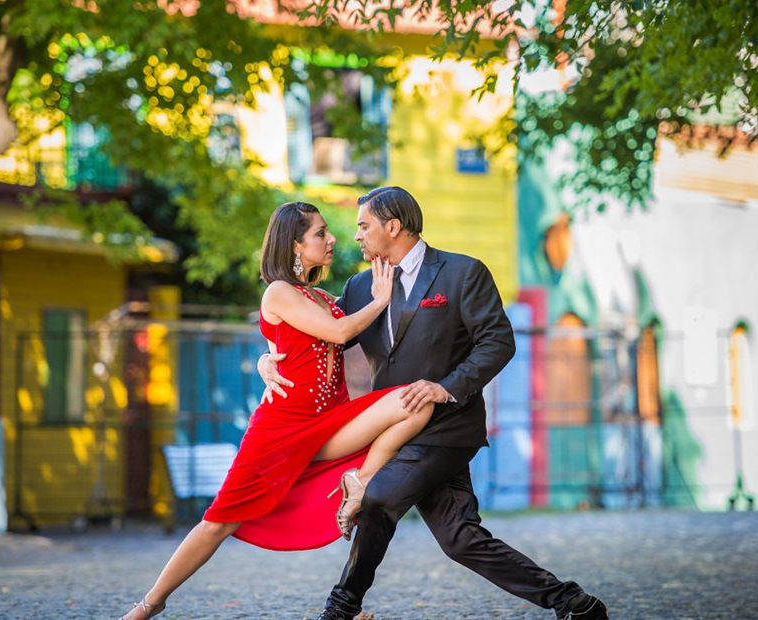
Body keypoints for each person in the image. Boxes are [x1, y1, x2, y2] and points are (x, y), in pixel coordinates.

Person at [259, 186, 608, 620]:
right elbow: (316, 338)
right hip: (394, 432)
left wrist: (446, 387)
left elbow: (498, 342)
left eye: (364, 226)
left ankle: (340, 609)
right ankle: (576, 604)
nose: (356, 236)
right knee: (461, 538)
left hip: (448, 426)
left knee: (378, 499)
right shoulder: (360, 287)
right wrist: (266, 359)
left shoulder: (463, 273)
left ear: (393, 226)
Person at [117, 201, 434, 620]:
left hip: (330, 422)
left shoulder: (319, 296)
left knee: (417, 401)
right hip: (281, 430)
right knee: (219, 522)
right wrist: (379, 301)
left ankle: (358, 483)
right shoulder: (279, 292)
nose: (332, 239)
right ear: (295, 245)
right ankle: (150, 604)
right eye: (320, 233)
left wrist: (268, 359)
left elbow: (292, 346)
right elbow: (339, 332)